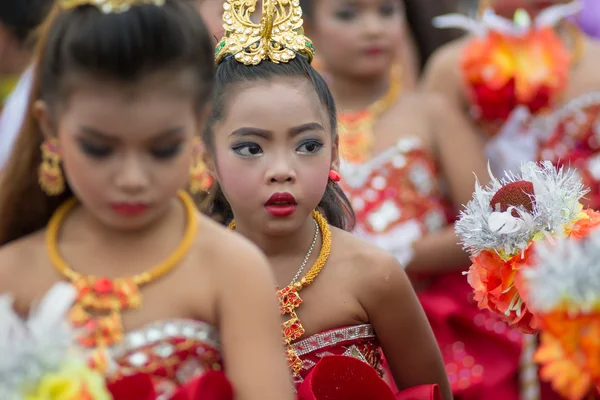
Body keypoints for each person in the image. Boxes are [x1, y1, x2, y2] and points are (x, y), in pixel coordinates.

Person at [0, 1, 294, 399]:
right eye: (99, 150)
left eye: (162, 149)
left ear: (198, 125)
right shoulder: (10, 272)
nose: (132, 179)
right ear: (50, 126)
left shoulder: (233, 270)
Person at [203, 0, 452, 398]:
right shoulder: (196, 281)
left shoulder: (374, 273)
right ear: (208, 159)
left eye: (308, 145)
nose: (282, 169)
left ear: (335, 153)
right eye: (251, 149)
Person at [297, 0, 524, 399]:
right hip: (337, 330)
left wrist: (401, 254)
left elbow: (496, 224)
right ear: (309, 29)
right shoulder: (296, 128)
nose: (373, 29)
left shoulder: (431, 113)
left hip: (443, 319)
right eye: (348, 15)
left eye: (387, 12)